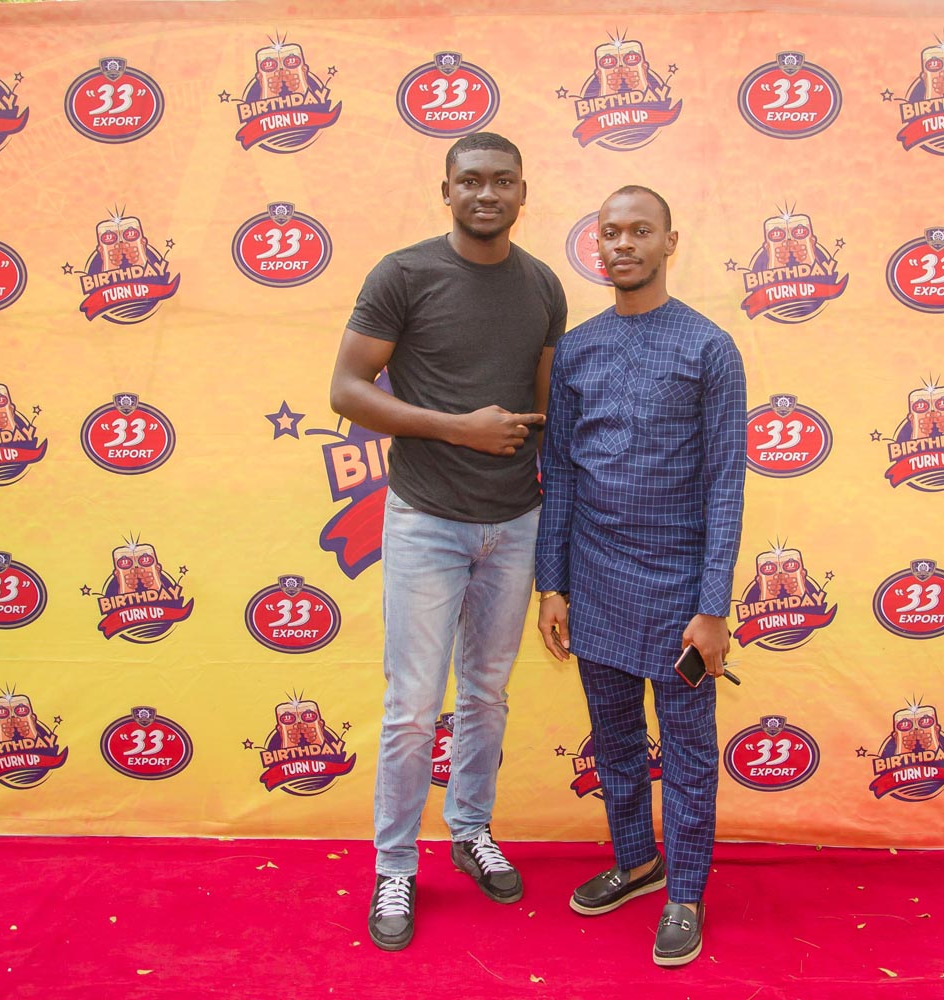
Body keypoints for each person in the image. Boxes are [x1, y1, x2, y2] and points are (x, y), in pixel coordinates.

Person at [329, 132, 567, 952]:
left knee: (487, 694)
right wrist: (457, 429)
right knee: (409, 708)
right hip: (426, 519)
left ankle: (469, 829)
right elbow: (346, 390)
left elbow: (546, 409)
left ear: (522, 191)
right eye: (470, 181)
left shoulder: (541, 285)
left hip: (515, 520)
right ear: (447, 190)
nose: (486, 194)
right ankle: (395, 864)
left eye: (502, 181)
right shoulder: (403, 274)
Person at [534, 185, 746, 967]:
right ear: (596, 244)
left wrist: (711, 607)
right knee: (616, 741)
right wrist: (551, 585)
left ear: (669, 242)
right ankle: (635, 864)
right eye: (609, 232)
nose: (622, 244)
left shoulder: (708, 348)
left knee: (686, 751)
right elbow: (559, 474)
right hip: (593, 584)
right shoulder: (576, 350)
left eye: (639, 231)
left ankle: (684, 892)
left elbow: (724, 483)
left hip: (679, 592)